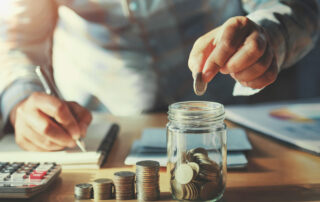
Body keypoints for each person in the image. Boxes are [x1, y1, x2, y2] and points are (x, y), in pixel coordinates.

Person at [0, 0, 318, 151]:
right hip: (96, 125)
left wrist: (269, 36)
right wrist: (20, 99)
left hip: (233, 115)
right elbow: (18, 37)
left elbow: (299, 6)